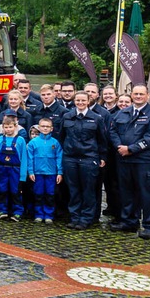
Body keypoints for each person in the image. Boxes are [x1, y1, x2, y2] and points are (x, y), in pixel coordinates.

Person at [108, 85, 150, 239]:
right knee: (126, 193)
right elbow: (112, 131)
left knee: (148, 194)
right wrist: (119, 147)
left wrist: (131, 149)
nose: (138, 96)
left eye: (141, 94)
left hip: (144, 161)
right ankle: (129, 222)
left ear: (148, 95)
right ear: (131, 95)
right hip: (124, 160)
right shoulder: (122, 113)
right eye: (136, 94)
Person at [60, 91, 110, 230]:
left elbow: (102, 139)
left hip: (89, 158)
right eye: (78, 100)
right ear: (74, 101)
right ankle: (75, 217)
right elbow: (62, 137)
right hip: (70, 158)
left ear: (88, 101)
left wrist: (102, 157)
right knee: (73, 189)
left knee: (88, 190)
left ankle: (86, 218)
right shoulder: (67, 116)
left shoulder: (96, 118)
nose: (80, 103)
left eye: (83, 100)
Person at [26, 118, 63, 224]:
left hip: (51, 173)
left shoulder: (55, 143)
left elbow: (59, 157)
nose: (45, 128)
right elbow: (30, 158)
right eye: (43, 126)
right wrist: (31, 171)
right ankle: (38, 214)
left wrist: (59, 172)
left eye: (47, 126)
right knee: (38, 194)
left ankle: (49, 215)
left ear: (51, 128)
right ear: (39, 127)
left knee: (50, 194)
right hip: (38, 173)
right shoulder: (33, 142)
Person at [0, 117, 27, 220]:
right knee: (2, 190)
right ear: (3, 128)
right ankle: (3, 210)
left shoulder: (20, 140)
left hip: (15, 170)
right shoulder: (0, 139)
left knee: (15, 191)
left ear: (15, 127)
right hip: (2, 169)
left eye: (10, 127)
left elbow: (24, 158)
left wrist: (22, 176)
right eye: (6, 127)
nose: (8, 129)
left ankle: (17, 211)